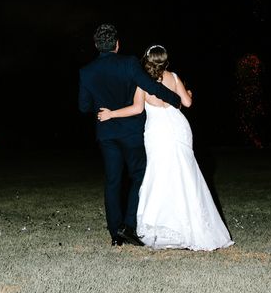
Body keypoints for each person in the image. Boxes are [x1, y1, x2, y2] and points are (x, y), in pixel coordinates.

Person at [97, 45, 234, 251]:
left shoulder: (142, 81)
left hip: (158, 131)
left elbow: (136, 108)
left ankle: (161, 225)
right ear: (165, 61)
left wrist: (111, 114)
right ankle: (193, 226)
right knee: (185, 173)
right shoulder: (175, 77)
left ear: (147, 59)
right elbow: (187, 103)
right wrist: (188, 92)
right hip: (178, 127)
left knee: (160, 174)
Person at [78, 24, 182, 247]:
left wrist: (101, 107)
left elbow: (83, 106)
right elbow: (151, 87)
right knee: (139, 175)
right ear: (117, 44)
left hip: (107, 133)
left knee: (113, 181)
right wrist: (175, 100)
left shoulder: (86, 72)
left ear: (97, 45)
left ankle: (116, 234)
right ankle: (128, 224)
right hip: (132, 132)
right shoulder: (129, 63)